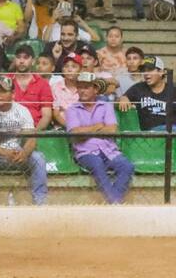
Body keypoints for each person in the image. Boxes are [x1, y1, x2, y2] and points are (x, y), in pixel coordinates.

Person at [0, 76, 47, 205]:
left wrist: (24, 152)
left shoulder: (22, 111)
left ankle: (40, 202)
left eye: (3, 91)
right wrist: (3, 151)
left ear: (13, 94)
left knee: (38, 157)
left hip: (16, 154)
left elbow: (32, 138)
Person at [67, 72, 134, 204]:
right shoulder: (72, 109)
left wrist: (86, 130)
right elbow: (76, 134)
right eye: (80, 87)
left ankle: (113, 201)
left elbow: (112, 130)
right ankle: (115, 203)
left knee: (127, 166)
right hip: (86, 153)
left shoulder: (106, 106)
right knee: (97, 164)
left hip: (109, 150)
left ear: (95, 89)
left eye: (86, 87)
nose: (82, 90)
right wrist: (97, 126)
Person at [0, 45, 54, 129]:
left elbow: (46, 116)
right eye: (18, 57)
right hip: (6, 129)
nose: (21, 61)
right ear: (14, 60)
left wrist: (33, 136)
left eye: (26, 58)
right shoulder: (4, 79)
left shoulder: (43, 84)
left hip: (32, 131)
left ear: (33, 61)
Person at [119, 56, 171, 131]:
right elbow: (124, 97)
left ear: (161, 72)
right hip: (147, 137)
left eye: (150, 70)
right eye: (144, 70)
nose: (146, 73)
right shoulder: (138, 88)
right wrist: (123, 98)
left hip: (170, 134)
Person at [51, 52, 83, 126]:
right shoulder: (55, 87)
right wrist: (70, 127)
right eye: (66, 66)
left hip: (82, 127)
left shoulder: (84, 88)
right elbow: (56, 114)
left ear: (80, 70)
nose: (69, 69)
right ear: (62, 69)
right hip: (62, 128)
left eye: (74, 66)